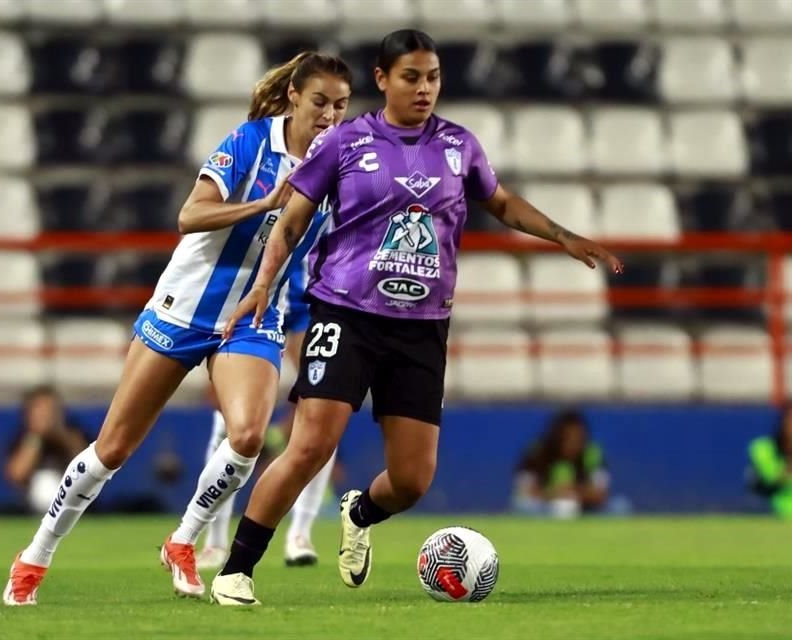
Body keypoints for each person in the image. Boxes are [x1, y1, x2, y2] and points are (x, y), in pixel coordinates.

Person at [210, 29, 623, 606]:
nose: (424, 88)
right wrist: (263, 284)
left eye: (432, 77)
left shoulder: (458, 145)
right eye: (411, 77)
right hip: (346, 314)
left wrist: (562, 235)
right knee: (310, 445)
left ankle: (360, 510)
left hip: (422, 325)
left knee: (411, 481)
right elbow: (292, 220)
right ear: (381, 79)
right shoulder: (346, 141)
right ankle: (237, 569)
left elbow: (499, 201)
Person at [2, 52, 352, 605]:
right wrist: (262, 204)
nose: (331, 115)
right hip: (183, 309)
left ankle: (183, 540)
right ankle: (36, 554)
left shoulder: (340, 168)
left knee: (247, 437)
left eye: (340, 105)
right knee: (112, 449)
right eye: (320, 102)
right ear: (293, 98)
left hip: (253, 316)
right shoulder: (249, 143)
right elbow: (190, 215)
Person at [197, 263, 338, 570]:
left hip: (308, 289)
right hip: (254, 285)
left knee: (323, 409)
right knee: (226, 422)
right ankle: (216, 541)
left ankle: (300, 534)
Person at [512, 409, 627, 518]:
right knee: (522, 505)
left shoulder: (593, 454)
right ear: (557, 437)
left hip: (584, 509)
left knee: (620, 506)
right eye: (568, 438)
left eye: (579, 439)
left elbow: (601, 493)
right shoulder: (538, 452)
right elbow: (525, 491)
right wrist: (554, 493)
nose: (574, 444)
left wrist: (575, 493)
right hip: (545, 509)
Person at [3, 386, 91, 514]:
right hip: (30, 509)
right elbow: (17, 475)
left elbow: (88, 467)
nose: (46, 416)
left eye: (51, 411)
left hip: (75, 506)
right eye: (40, 411)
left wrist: (59, 433)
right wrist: (36, 436)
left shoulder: (74, 432)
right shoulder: (22, 438)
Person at [748, 404, 792, 518]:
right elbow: (759, 486)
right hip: (773, 515)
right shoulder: (763, 448)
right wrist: (783, 475)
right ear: (783, 422)